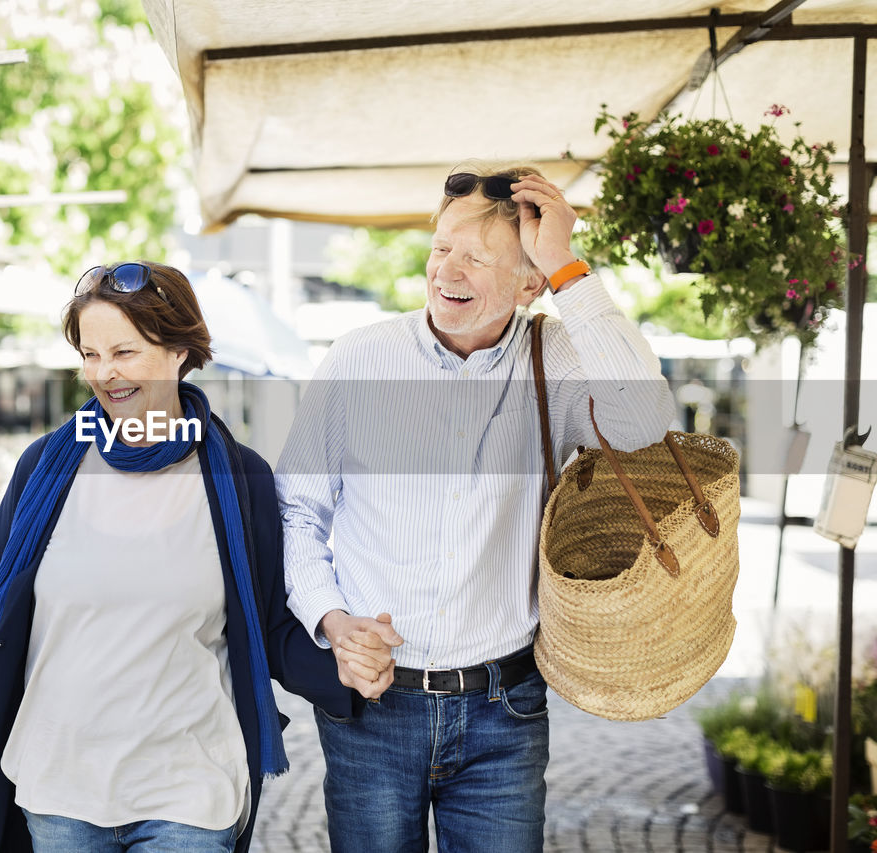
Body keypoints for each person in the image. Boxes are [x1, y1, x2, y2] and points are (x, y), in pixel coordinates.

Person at [0, 261, 350, 853]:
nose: (104, 373)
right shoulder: (48, 470)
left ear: (179, 350)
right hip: (61, 788)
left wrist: (362, 666)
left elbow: (268, 627)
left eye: (125, 352)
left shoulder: (240, 479)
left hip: (189, 784)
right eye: (90, 354)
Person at [275, 165, 677, 852]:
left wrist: (566, 268)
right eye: (441, 248)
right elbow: (296, 510)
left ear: (527, 284)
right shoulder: (359, 361)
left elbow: (645, 422)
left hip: (505, 708)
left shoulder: (555, 358)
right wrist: (334, 623)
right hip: (373, 708)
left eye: (476, 257)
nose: (446, 270)